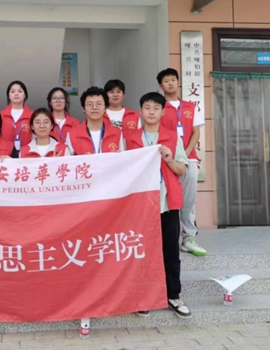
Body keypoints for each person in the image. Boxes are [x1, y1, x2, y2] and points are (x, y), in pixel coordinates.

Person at [125, 92, 191, 319]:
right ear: (140, 111)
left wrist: (170, 159)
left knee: (170, 250)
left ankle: (173, 295)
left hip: (166, 202)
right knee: (142, 251)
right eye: (147, 107)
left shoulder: (172, 137)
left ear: (163, 112)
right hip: (141, 204)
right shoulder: (130, 138)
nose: (151, 112)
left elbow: (182, 170)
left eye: (155, 108)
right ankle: (143, 297)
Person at [157, 68, 207, 257]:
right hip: (165, 160)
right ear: (160, 85)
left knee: (188, 200)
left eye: (173, 79)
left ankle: (189, 238)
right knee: (164, 200)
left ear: (178, 82)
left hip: (188, 158)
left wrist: (183, 155)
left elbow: (196, 133)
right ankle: (163, 239)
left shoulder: (190, 106)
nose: (170, 83)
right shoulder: (158, 106)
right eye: (166, 81)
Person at [66, 87, 124, 155]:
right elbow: (67, 160)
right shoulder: (72, 134)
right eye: (90, 104)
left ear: (105, 108)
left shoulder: (116, 132)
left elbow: (122, 158)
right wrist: (81, 159)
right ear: (83, 109)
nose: (94, 107)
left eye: (99, 104)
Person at [0, 81, 33, 151]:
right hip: (5, 153)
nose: (16, 94)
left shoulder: (32, 115)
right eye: (12, 91)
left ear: (25, 95)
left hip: (27, 153)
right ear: (9, 96)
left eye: (20, 91)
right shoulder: (1, 115)